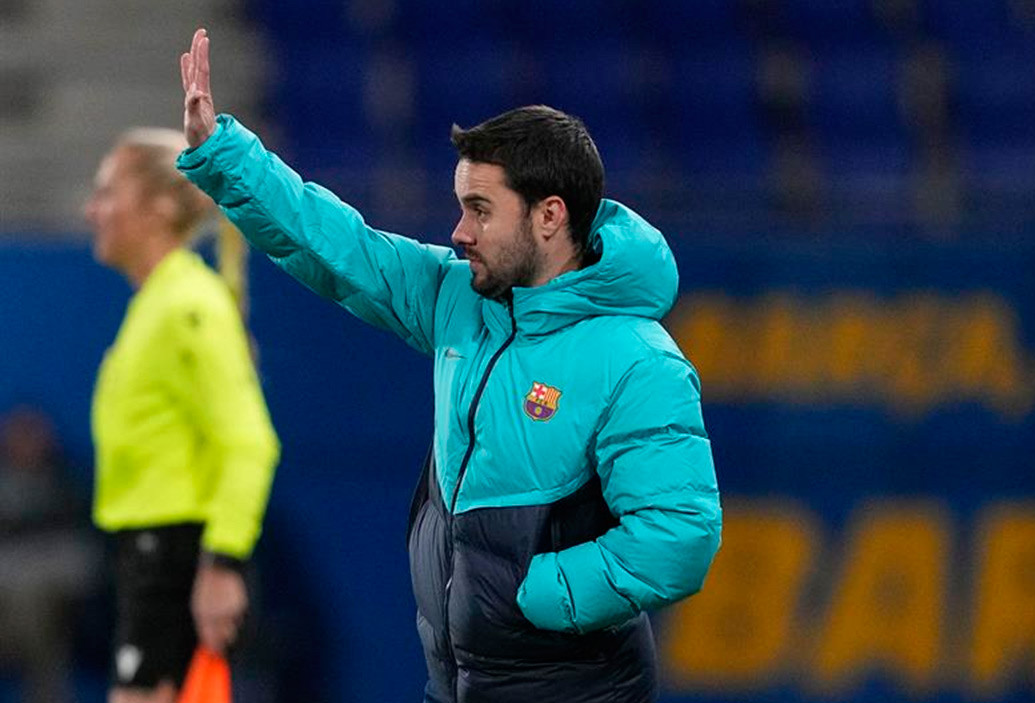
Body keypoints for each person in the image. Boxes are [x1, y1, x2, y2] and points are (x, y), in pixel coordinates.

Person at [178, 28, 721, 703]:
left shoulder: (637, 361)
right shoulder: (460, 295)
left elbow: (679, 536)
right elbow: (339, 247)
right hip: (459, 683)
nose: (459, 231)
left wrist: (534, 596)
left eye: (479, 209)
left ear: (550, 216)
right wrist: (223, 155)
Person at [85, 119, 280, 703]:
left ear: (161, 209)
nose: (92, 210)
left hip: (177, 560)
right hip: (152, 557)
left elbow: (249, 442)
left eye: (108, 192)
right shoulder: (162, 302)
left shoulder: (186, 305)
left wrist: (221, 568)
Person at [0, 404, 99, 703]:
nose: (26, 443)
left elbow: (84, 559)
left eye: (33, 434)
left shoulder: (68, 487)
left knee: (42, 623)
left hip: (50, 615)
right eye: (18, 434)